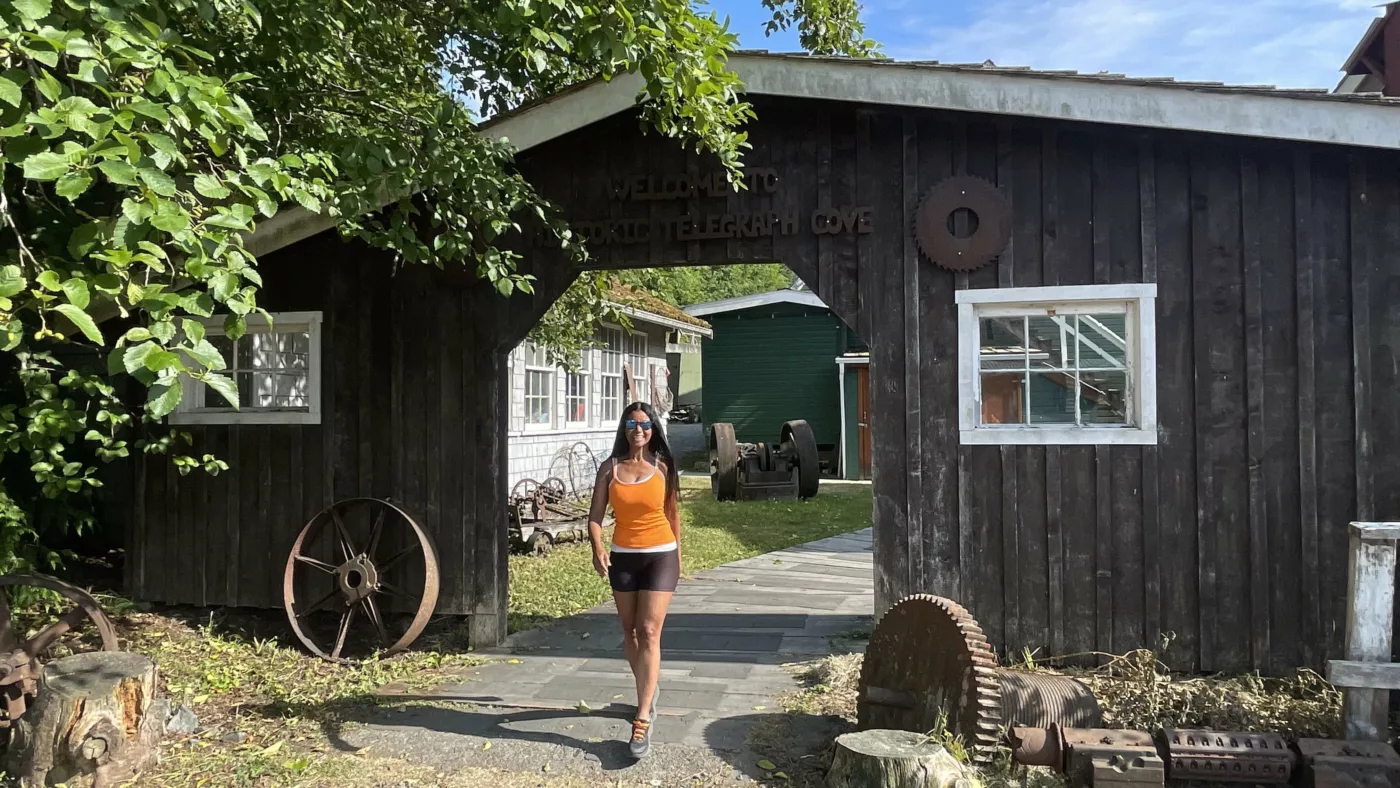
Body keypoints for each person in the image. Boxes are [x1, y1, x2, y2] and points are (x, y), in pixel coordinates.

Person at [586, 402, 681, 760]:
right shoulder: (609, 469)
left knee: (650, 630)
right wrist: (597, 548)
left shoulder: (663, 467)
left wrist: (679, 561)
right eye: (631, 423)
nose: (637, 429)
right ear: (624, 429)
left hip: (661, 555)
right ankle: (648, 687)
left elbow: (672, 514)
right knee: (630, 632)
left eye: (644, 424)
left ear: (653, 429)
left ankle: (642, 717)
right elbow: (595, 517)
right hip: (623, 557)